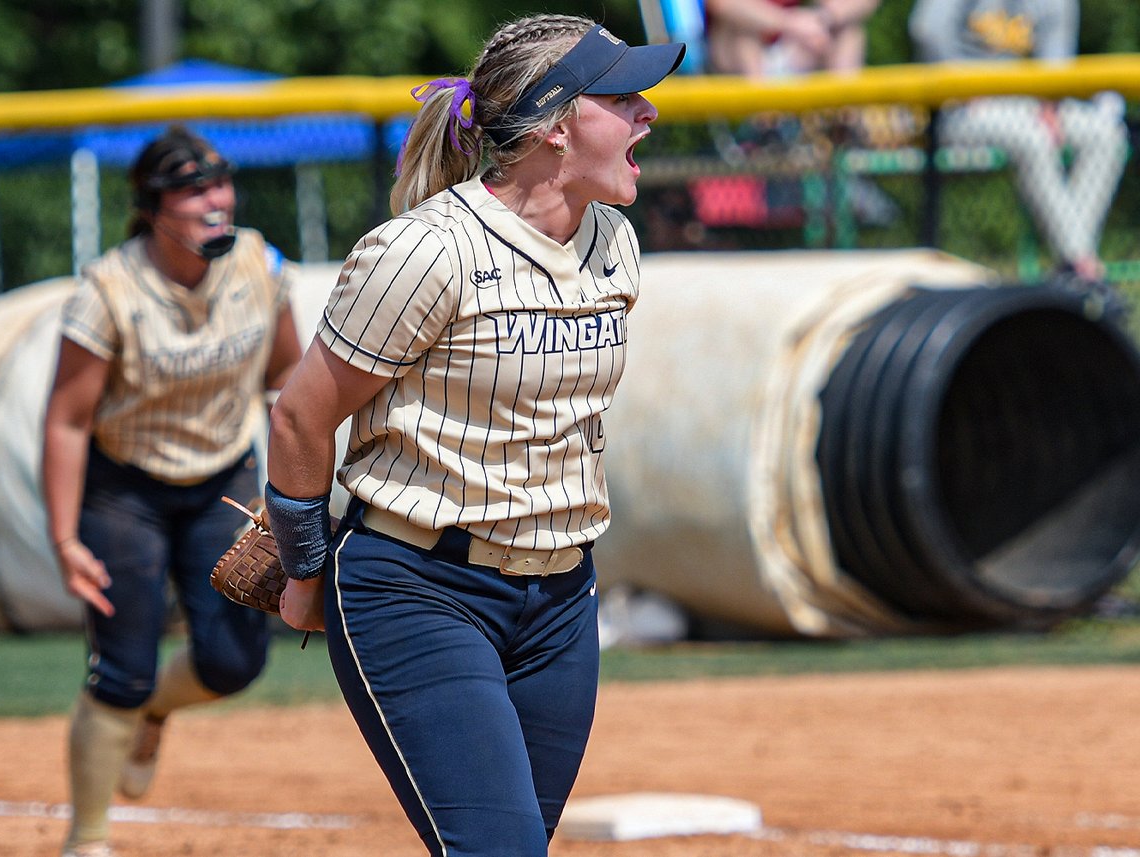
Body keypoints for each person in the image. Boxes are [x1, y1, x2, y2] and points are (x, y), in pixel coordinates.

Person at [265, 14, 684, 857]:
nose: (647, 113)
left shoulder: (614, 244)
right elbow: (301, 414)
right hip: (419, 588)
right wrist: (305, 565)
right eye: (622, 96)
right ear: (557, 125)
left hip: (563, 599)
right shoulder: (425, 252)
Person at [42, 125, 303, 857]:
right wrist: (64, 539)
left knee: (234, 663)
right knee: (121, 667)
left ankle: (154, 710)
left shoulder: (258, 262)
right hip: (124, 488)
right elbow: (65, 421)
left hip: (223, 476)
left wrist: (295, 486)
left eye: (219, 182)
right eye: (193, 188)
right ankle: (87, 839)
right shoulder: (110, 290)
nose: (215, 200)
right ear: (154, 207)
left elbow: (288, 380)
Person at [909, 0, 1127, 283]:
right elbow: (926, 29)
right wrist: (959, 80)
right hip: (959, 107)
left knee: (1105, 135)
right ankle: (1082, 268)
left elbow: (1056, 56)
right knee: (1031, 138)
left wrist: (1050, 102)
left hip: (1024, 102)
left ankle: (1073, 263)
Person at [705, 0, 881, 77]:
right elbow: (721, 4)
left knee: (849, 32)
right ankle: (764, 124)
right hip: (734, 57)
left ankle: (845, 123)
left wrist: (823, 18)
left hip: (789, 51)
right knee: (745, 35)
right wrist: (789, 23)